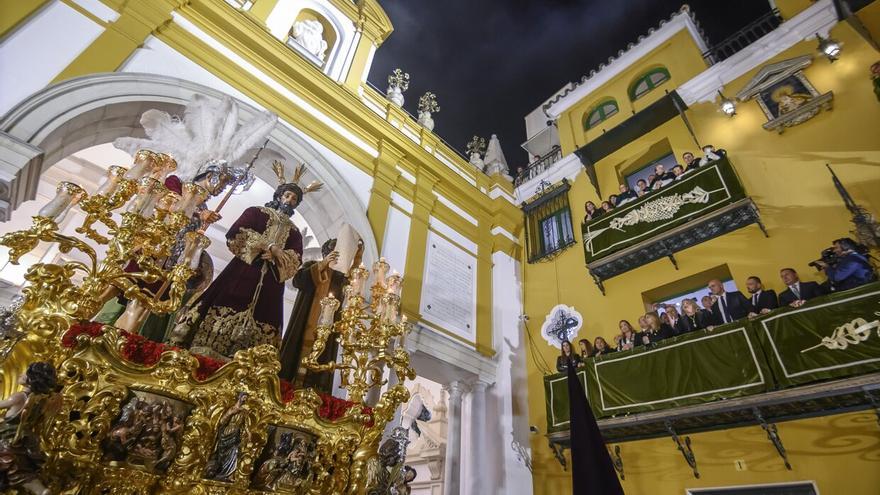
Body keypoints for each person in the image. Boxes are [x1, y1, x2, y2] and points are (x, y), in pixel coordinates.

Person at [174, 163, 318, 360]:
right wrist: (266, 247)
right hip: (244, 270)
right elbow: (237, 232)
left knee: (264, 314)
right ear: (279, 196)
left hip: (271, 281)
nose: (289, 200)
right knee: (226, 299)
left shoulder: (294, 231)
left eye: (294, 199)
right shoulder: (257, 212)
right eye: (287, 196)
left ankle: (250, 360)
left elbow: (296, 258)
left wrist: (278, 258)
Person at [279, 238, 364, 389]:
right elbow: (298, 281)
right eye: (333, 254)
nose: (336, 258)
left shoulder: (340, 277)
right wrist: (323, 264)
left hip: (326, 329)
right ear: (326, 253)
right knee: (295, 354)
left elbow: (353, 282)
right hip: (305, 321)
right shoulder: (312, 265)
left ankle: (313, 391)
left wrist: (357, 257)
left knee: (322, 358)